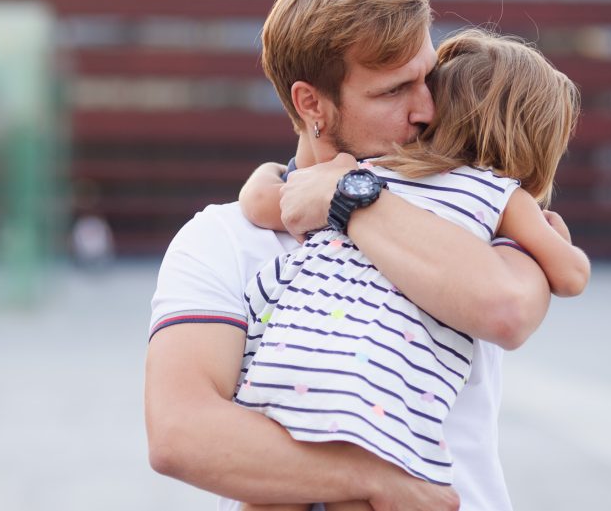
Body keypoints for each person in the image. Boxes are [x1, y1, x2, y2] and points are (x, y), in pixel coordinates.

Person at [146, 0, 555, 511]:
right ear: (311, 103)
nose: (427, 110)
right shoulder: (222, 239)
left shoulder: (471, 205)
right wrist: (374, 481)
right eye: (394, 91)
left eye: (427, 78)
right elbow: (181, 433)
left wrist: (348, 198)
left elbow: (506, 310)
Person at [233, 30, 589, 510]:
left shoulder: (366, 174)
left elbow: (264, 202)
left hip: (292, 355)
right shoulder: (503, 198)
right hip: (376, 391)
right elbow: (572, 277)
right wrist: (557, 241)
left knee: (273, 493)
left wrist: (267, 172)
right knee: (355, 491)